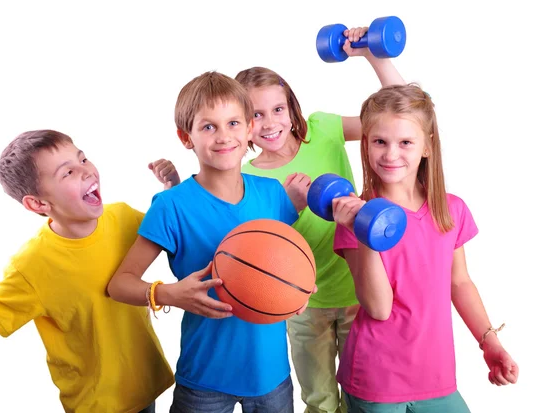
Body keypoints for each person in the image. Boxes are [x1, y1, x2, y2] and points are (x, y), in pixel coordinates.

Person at [107, 71, 314, 413]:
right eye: (208, 127)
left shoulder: (273, 195)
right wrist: (167, 293)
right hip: (204, 378)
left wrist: (297, 290)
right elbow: (119, 285)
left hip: (272, 376)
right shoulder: (171, 206)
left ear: (249, 129)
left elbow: (286, 265)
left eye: (233, 123)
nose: (223, 137)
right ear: (185, 137)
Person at [0, 129, 176, 413]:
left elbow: (165, 232)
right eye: (67, 173)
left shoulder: (123, 217)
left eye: (83, 159)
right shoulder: (32, 265)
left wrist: (171, 191)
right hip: (95, 403)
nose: (86, 171)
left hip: (142, 384)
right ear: (38, 204)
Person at [236, 26, 405, 413]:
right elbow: (255, 244)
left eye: (277, 109)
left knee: (365, 396)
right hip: (301, 303)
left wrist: (373, 56)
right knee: (319, 399)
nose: (269, 122)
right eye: (255, 115)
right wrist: (290, 206)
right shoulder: (248, 177)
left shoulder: (325, 129)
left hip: (359, 291)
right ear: (242, 124)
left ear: (291, 107)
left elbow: (396, 116)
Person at [331, 84, 519, 412]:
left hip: (436, 374)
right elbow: (378, 308)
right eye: (380, 141)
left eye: (405, 142)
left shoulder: (451, 210)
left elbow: (459, 283)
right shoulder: (354, 217)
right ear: (365, 145)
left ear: (427, 146)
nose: (391, 154)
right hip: (377, 377)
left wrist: (490, 342)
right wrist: (365, 232)